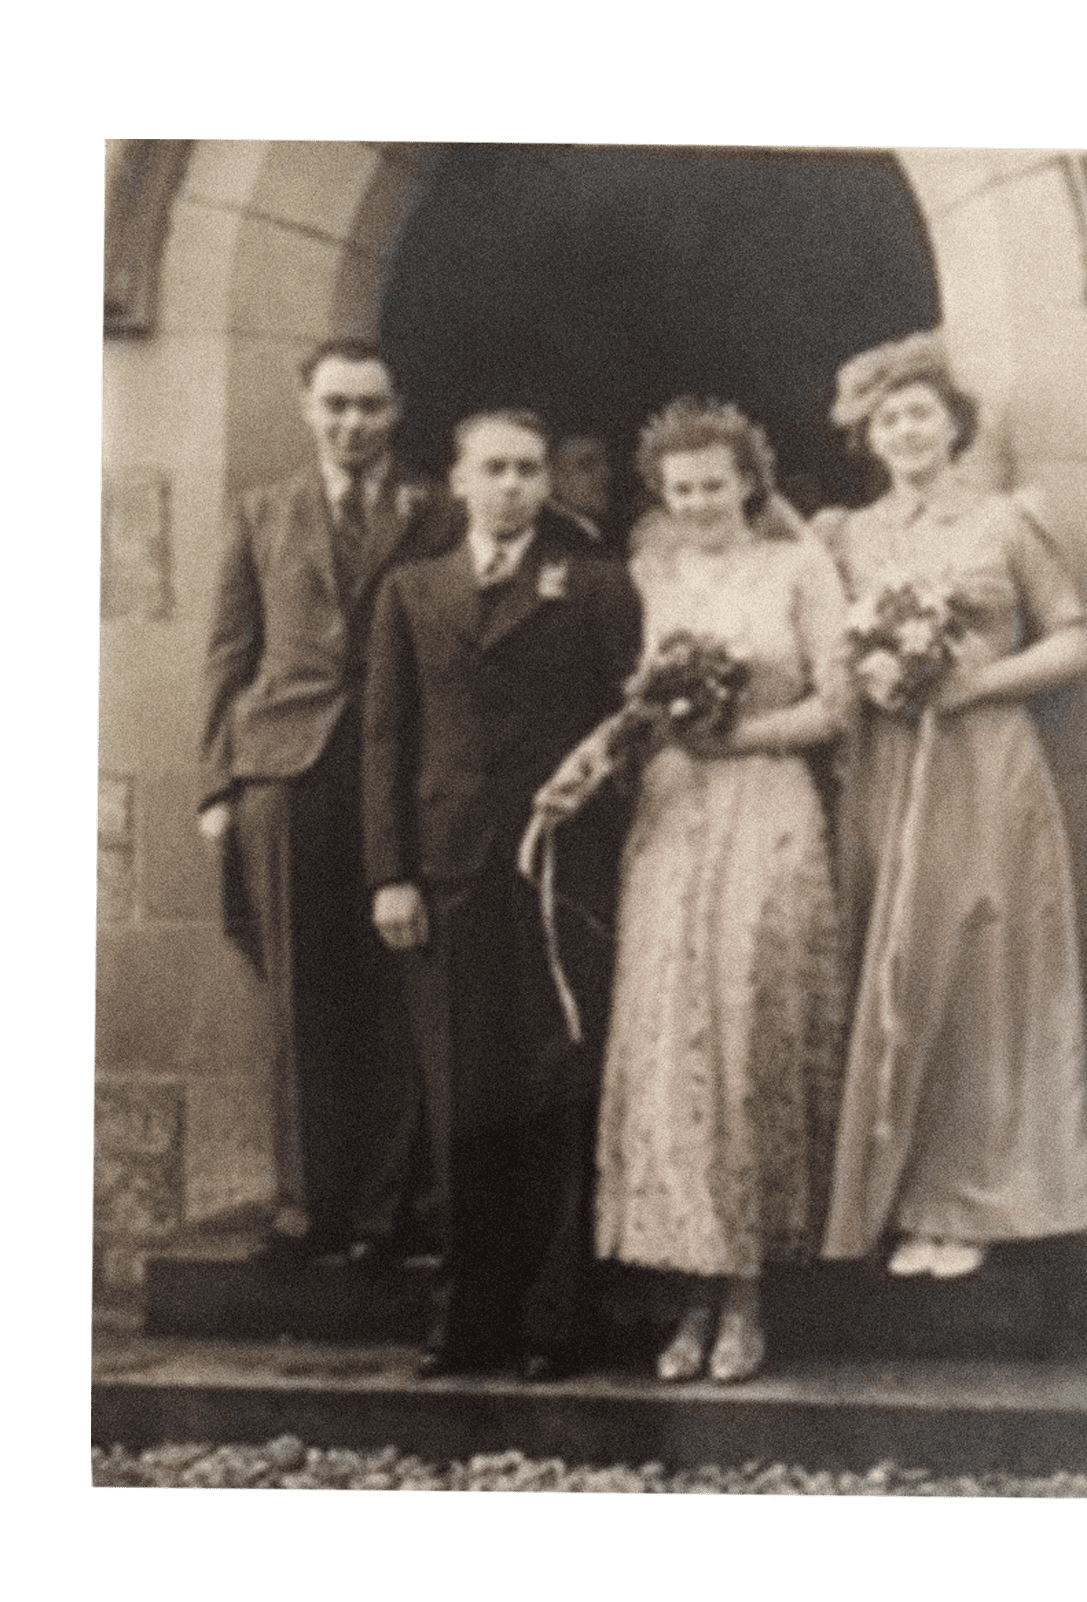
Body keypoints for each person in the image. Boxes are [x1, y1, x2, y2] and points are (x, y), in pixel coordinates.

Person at [535, 399, 849, 1384]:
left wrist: (734, 737)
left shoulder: (799, 568)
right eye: (680, 490)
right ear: (660, 498)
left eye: (715, 484)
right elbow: (632, 707)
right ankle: (689, 1293)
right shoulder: (651, 574)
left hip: (766, 804)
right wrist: (579, 768)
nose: (699, 502)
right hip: (672, 818)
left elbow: (836, 704)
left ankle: (746, 1296)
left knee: (747, 1025)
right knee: (675, 1038)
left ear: (749, 481)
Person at [817, 331, 1087, 1284]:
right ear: (869, 433)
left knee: (984, 968)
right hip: (892, 767)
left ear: (953, 427)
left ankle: (979, 1203)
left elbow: (1072, 642)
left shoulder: (1004, 522)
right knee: (896, 965)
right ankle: (904, 1201)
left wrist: (973, 684)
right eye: (887, 416)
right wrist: (877, 675)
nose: (905, 430)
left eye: (921, 413)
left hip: (984, 762)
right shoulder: (849, 536)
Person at [363, 409, 641, 1380]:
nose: (515, 485)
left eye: (529, 469)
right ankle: (464, 1317)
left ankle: (552, 1321)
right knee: (457, 1097)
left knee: (555, 1088)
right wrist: (390, 871)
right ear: (458, 481)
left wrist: (593, 794)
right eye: (495, 468)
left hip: (558, 868)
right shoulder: (411, 590)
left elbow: (629, 721)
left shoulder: (595, 587)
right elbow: (385, 738)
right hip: (446, 872)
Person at [197, 338, 446, 1266]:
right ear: (306, 407)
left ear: (397, 411)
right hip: (283, 772)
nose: (352, 424)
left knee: (394, 988)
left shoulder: (438, 514)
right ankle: (307, 1210)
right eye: (335, 405)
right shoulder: (262, 512)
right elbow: (227, 653)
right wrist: (216, 785)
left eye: (370, 407)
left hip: (397, 776)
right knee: (299, 993)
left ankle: (388, 1212)